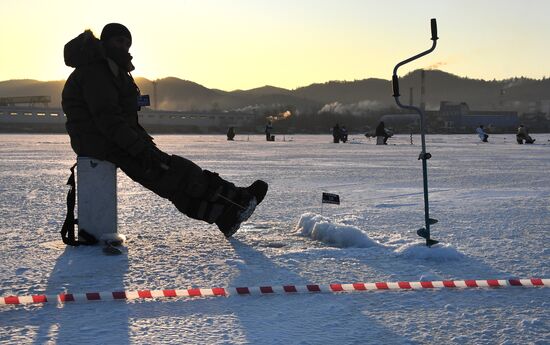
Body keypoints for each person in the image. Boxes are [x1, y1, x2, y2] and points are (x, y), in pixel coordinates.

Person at [62, 23, 268, 239]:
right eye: (118, 41)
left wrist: (143, 145)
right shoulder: (97, 71)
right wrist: (140, 149)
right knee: (176, 174)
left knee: (172, 180)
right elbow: (108, 119)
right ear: (104, 42)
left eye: (127, 43)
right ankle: (237, 200)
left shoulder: (111, 69)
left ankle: (225, 215)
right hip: (103, 143)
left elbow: (121, 119)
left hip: (110, 141)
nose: (123, 47)